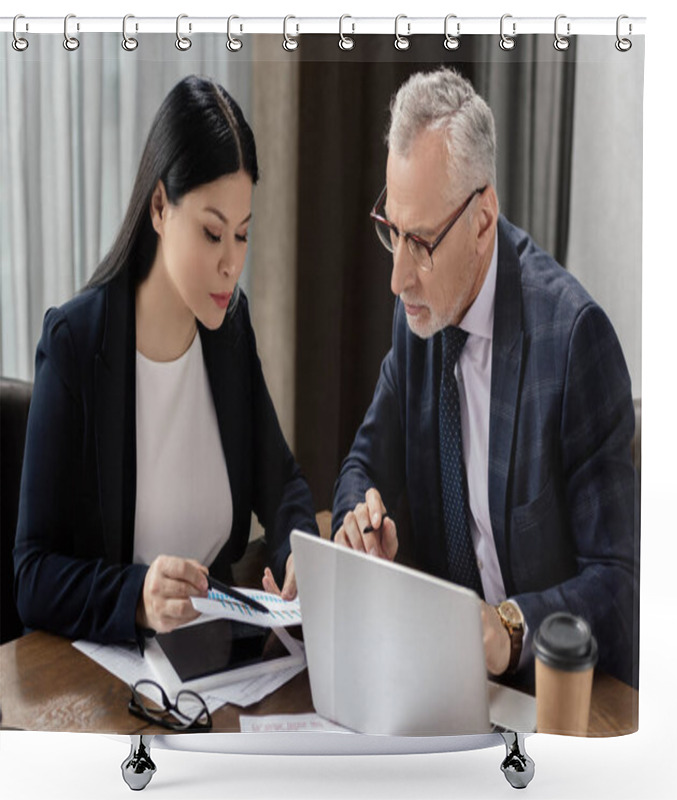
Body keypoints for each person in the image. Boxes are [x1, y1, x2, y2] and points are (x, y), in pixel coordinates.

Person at [332, 68, 638, 691]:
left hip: (553, 699)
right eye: (391, 231)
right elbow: (362, 465)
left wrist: (511, 628)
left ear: (481, 217)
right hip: (441, 682)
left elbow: (619, 584)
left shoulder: (574, 341)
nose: (397, 278)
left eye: (419, 242)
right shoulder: (419, 316)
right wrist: (356, 522)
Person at [14, 75, 317, 646]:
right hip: (108, 674)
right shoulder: (76, 344)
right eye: (212, 233)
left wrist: (298, 549)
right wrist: (138, 597)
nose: (232, 265)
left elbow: (281, 486)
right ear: (159, 206)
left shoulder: (228, 329)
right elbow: (32, 576)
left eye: (243, 236)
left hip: (214, 661)